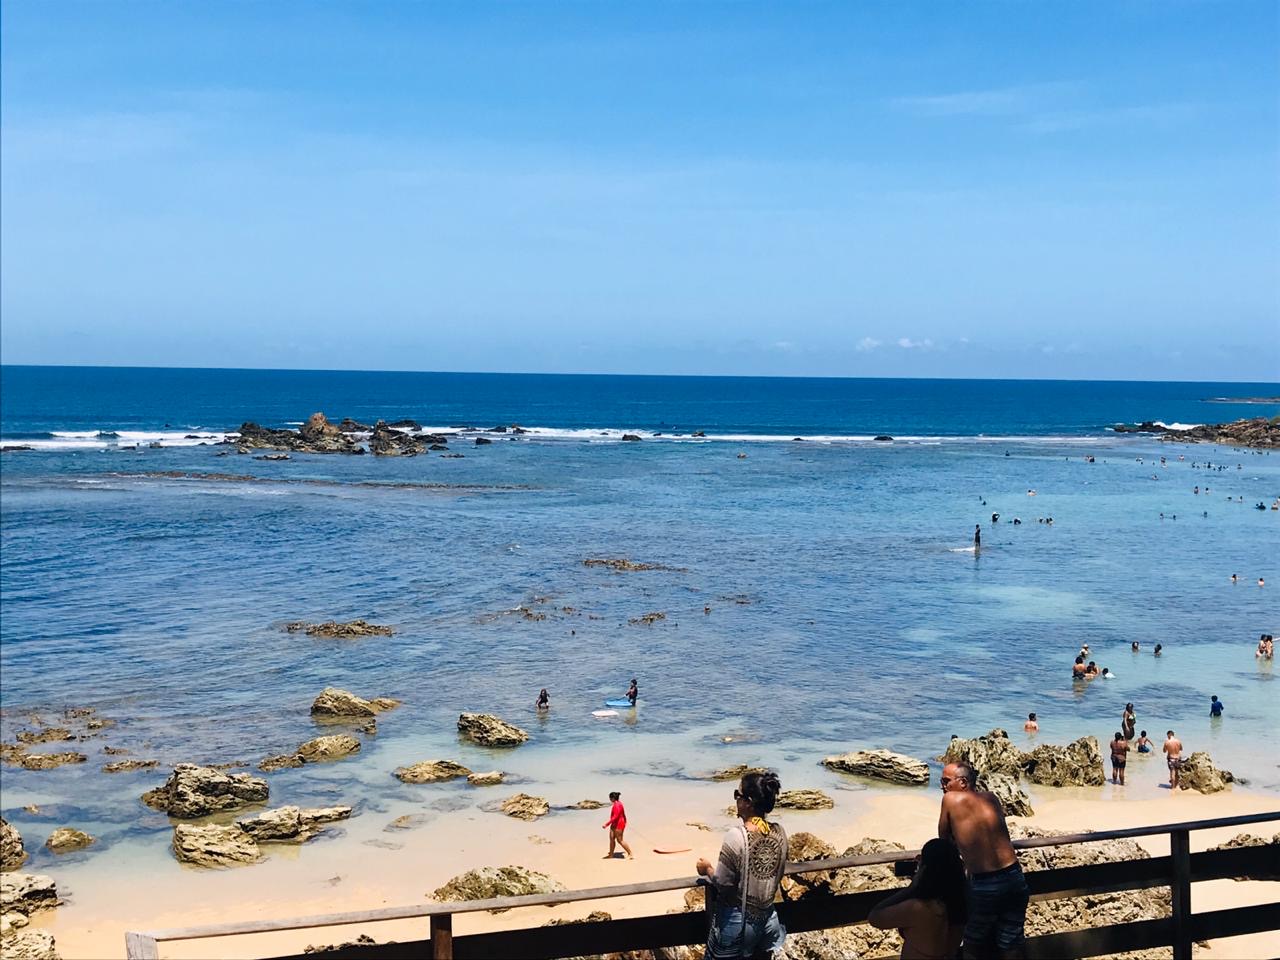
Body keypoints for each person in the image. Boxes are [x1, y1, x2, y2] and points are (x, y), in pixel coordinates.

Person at [938, 762, 1028, 959]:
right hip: (1014, 876)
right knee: (1010, 943)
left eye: (945, 781)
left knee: (973, 945)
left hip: (986, 882)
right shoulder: (991, 798)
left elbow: (943, 841)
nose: (942, 786)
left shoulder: (950, 799)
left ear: (962, 782)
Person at [696, 771, 788, 959]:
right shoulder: (779, 832)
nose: (736, 799)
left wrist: (707, 869)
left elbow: (723, 883)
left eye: (737, 795)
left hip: (737, 924)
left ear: (748, 802)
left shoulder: (736, 836)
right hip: (768, 920)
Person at [868, 838, 967, 960]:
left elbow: (875, 917)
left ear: (926, 869)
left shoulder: (918, 908)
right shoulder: (961, 902)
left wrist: (911, 888)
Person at [602, 791, 633, 859]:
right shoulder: (617, 804)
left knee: (620, 840)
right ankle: (611, 855)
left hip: (619, 824)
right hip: (614, 824)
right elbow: (623, 815)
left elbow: (615, 816)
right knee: (611, 838)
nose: (609, 799)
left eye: (610, 798)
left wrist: (606, 824)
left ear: (612, 798)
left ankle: (630, 853)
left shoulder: (617, 805)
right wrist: (625, 820)